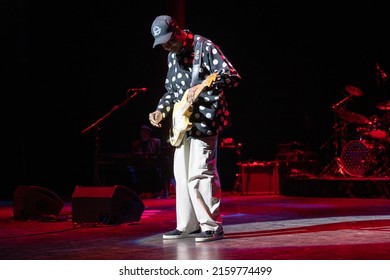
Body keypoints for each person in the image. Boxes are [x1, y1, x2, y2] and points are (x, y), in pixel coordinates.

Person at [148, 15, 241, 242]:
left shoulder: (204, 46)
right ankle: (187, 225)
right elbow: (171, 91)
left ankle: (211, 226)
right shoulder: (172, 57)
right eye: (163, 44)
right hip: (183, 125)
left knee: (201, 172)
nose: (167, 47)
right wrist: (161, 110)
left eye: (169, 41)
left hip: (205, 121)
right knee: (181, 175)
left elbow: (232, 76)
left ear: (178, 31)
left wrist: (203, 85)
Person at [128, 125, 163, 198]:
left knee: (153, 171)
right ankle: (139, 192)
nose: (144, 134)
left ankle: (153, 192)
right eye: (143, 132)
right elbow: (133, 156)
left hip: (152, 164)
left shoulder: (155, 141)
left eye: (146, 132)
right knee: (133, 171)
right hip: (140, 165)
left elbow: (159, 154)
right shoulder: (136, 143)